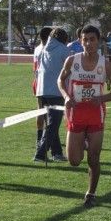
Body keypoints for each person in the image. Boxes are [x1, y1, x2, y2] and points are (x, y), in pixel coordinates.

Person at [58, 25, 111, 208]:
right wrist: (66, 97)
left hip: (96, 115)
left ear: (98, 41)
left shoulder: (105, 64)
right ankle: (84, 142)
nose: (88, 43)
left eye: (92, 39)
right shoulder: (72, 60)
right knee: (74, 161)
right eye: (85, 40)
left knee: (94, 158)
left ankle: (91, 193)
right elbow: (60, 80)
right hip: (76, 114)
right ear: (80, 41)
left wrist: (101, 98)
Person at [33, 28, 70, 163]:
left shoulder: (43, 49)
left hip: (42, 91)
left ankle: (57, 153)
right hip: (56, 91)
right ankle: (40, 153)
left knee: (51, 123)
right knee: (53, 125)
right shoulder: (64, 50)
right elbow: (69, 71)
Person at [32, 26, 53, 148]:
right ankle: (44, 139)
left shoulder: (37, 49)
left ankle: (40, 137)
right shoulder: (48, 49)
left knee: (40, 111)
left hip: (37, 81)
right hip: (46, 83)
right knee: (50, 114)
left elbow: (34, 67)